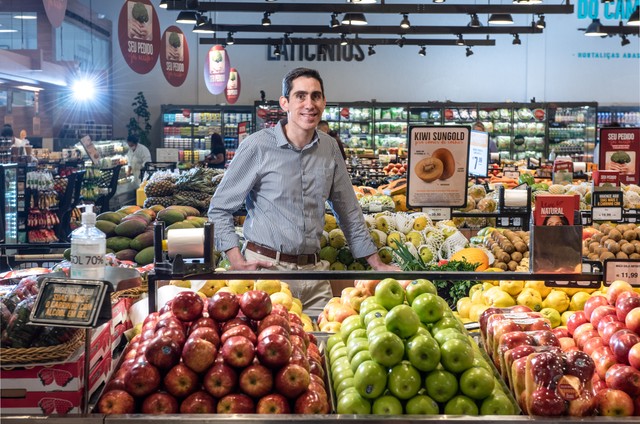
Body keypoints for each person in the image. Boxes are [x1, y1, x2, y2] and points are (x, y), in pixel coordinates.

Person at [208, 67, 398, 315]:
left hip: (315, 274)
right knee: (273, 348)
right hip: (268, 274)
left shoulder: (329, 148)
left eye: (315, 96)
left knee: (323, 347)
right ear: (285, 103)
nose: (309, 104)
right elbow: (219, 208)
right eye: (300, 96)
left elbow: (348, 210)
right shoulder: (257, 146)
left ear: (324, 102)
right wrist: (237, 261)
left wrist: (376, 264)